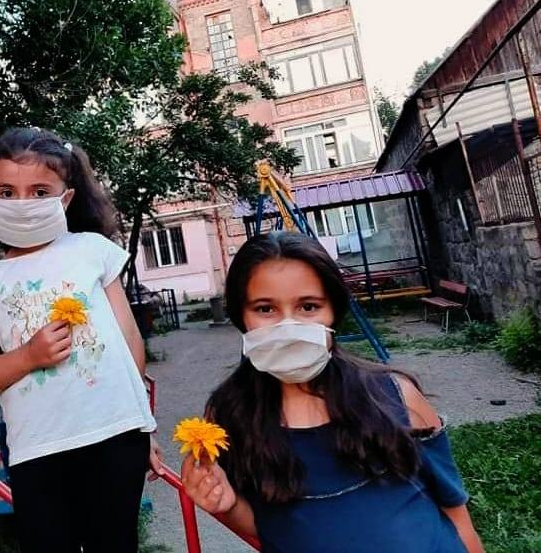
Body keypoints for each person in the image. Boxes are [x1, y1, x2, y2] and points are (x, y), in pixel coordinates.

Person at [181, 232, 484, 552]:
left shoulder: (394, 395)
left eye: (308, 307)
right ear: (241, 315)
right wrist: (225, 505)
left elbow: (456, 514)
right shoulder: (229, 417)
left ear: (333, 312)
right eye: (266, 309)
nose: (289, 328)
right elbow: (268, 527)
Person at [0, 127, 163, 552]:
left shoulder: (92, 250)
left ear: (65, 199)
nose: (22, 204)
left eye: (39, 191)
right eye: (7, 192)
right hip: (38, 450)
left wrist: (144, 425)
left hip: (116, 438)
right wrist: (29, 356)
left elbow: (130, 347)